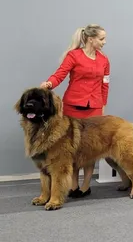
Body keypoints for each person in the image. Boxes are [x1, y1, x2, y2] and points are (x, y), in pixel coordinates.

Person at [40, 24, 110, 198]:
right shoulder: (74, 56)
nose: (104, 42)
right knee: (71, 148)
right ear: (90, 39)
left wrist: (103, 105)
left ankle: (86, 185)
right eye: (102, 39)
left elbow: (105, 85)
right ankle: (73, 185)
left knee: (91, 148)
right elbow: (60, 74)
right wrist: (49, 83)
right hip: (72, 107)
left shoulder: (104, 60)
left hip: (94, 109)